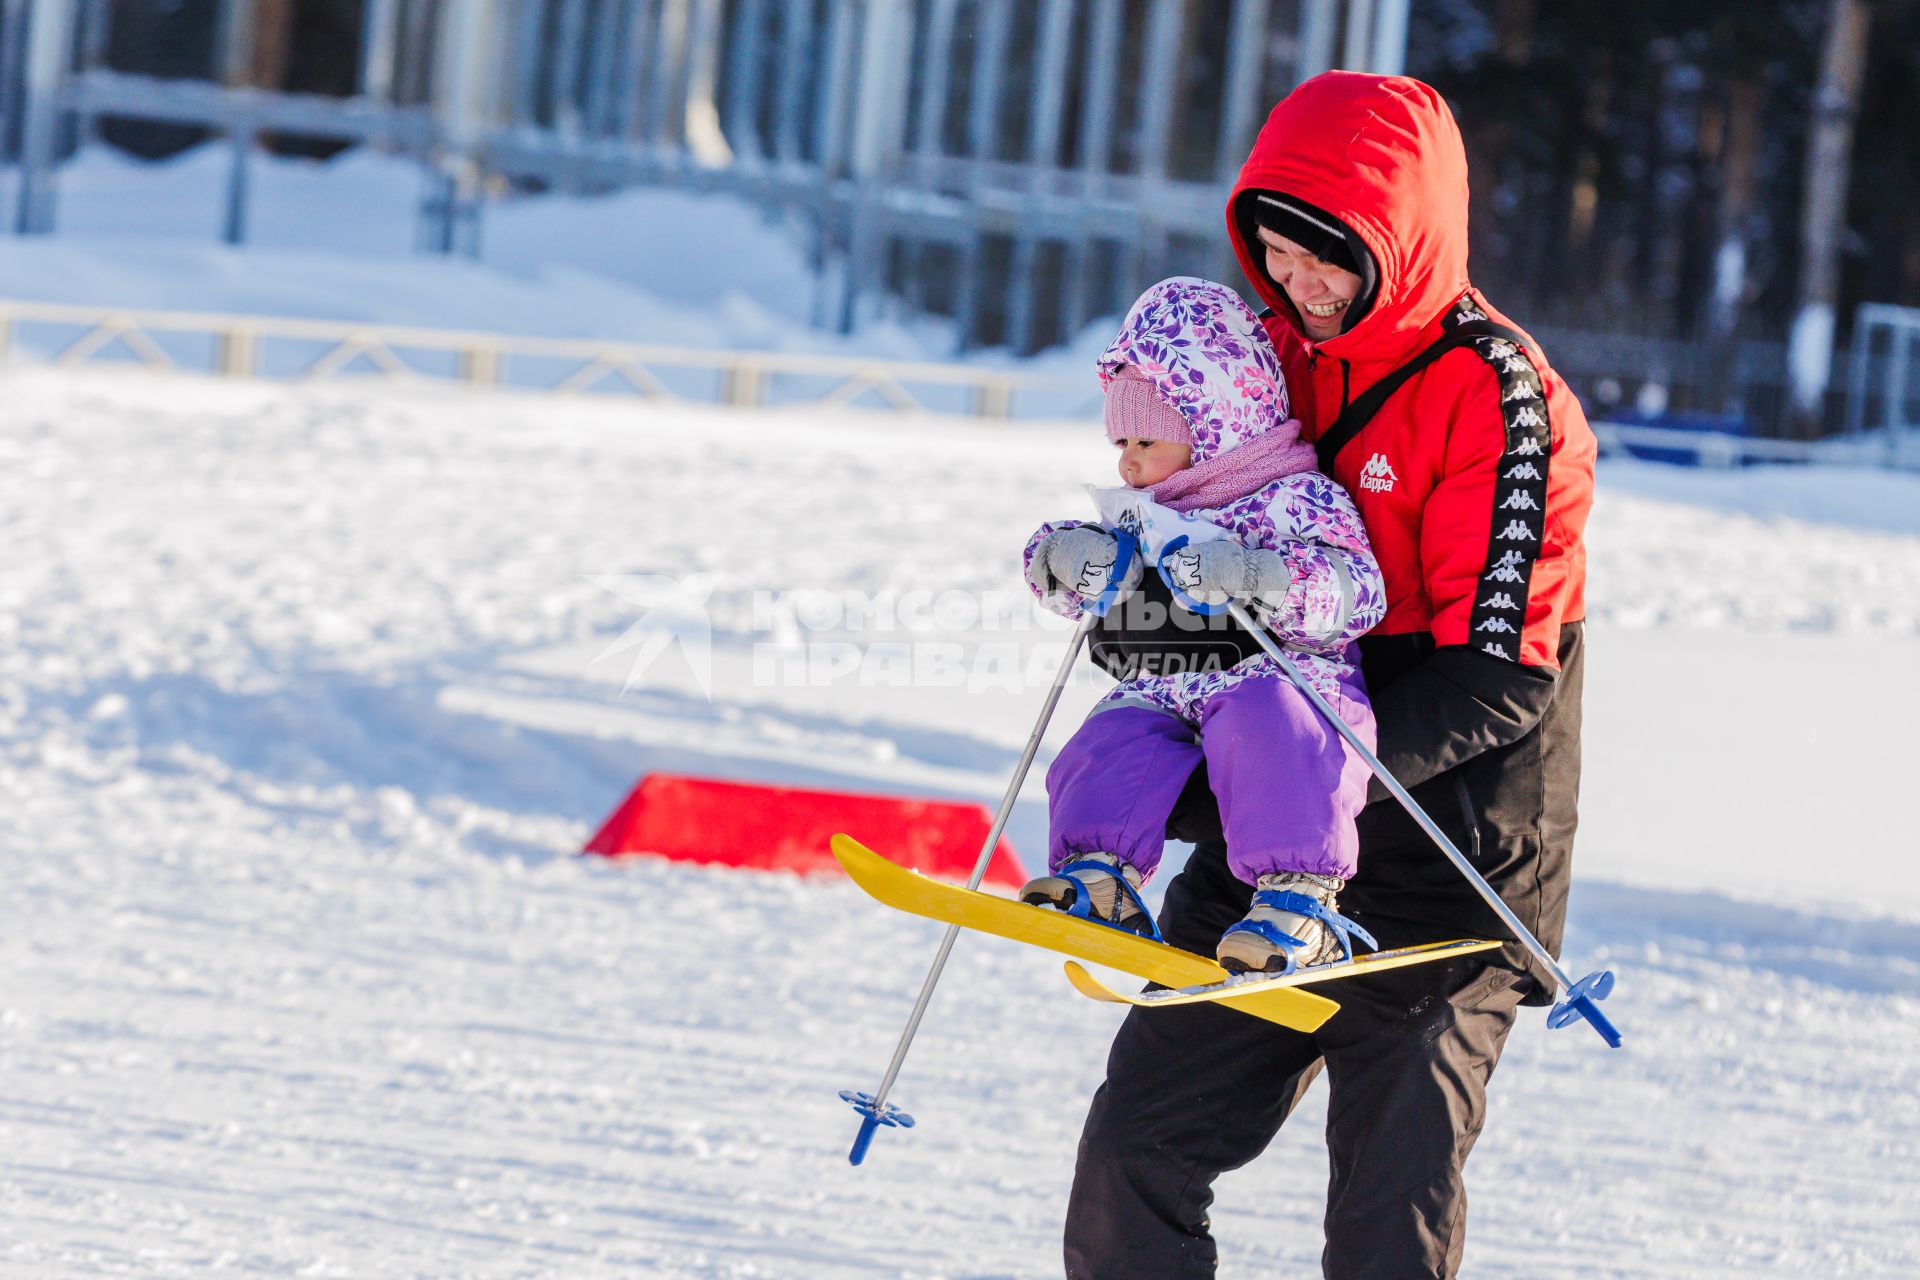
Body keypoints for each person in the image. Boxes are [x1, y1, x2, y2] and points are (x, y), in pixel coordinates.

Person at [1061, 73, 1598, 1279]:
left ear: (1399, 241)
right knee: (1132, 1154)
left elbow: (1500, 679)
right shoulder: (1269, 363)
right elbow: (1187, 561)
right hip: (1271, 853)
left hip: (1451, 865)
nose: (1300, 287)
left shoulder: (1505, 396)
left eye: (1330, 258)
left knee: (1382, 1220)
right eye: (1278, 254)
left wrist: (1299, 786)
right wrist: (1132, 611)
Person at [1017, 276, 1385, 973]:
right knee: (1111, 736)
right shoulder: (1146, 507)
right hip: (1168, 680)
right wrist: (1068, 559)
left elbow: (1357, 592)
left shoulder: (1293, 498)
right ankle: (1101, 877)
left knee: (1277, 732)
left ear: (1209, 425)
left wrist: (1262, 576)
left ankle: (1298, 902)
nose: (1127, 459)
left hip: (1280, 675)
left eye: (1146, 439)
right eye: (1119, 438)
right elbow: (1076, 593)